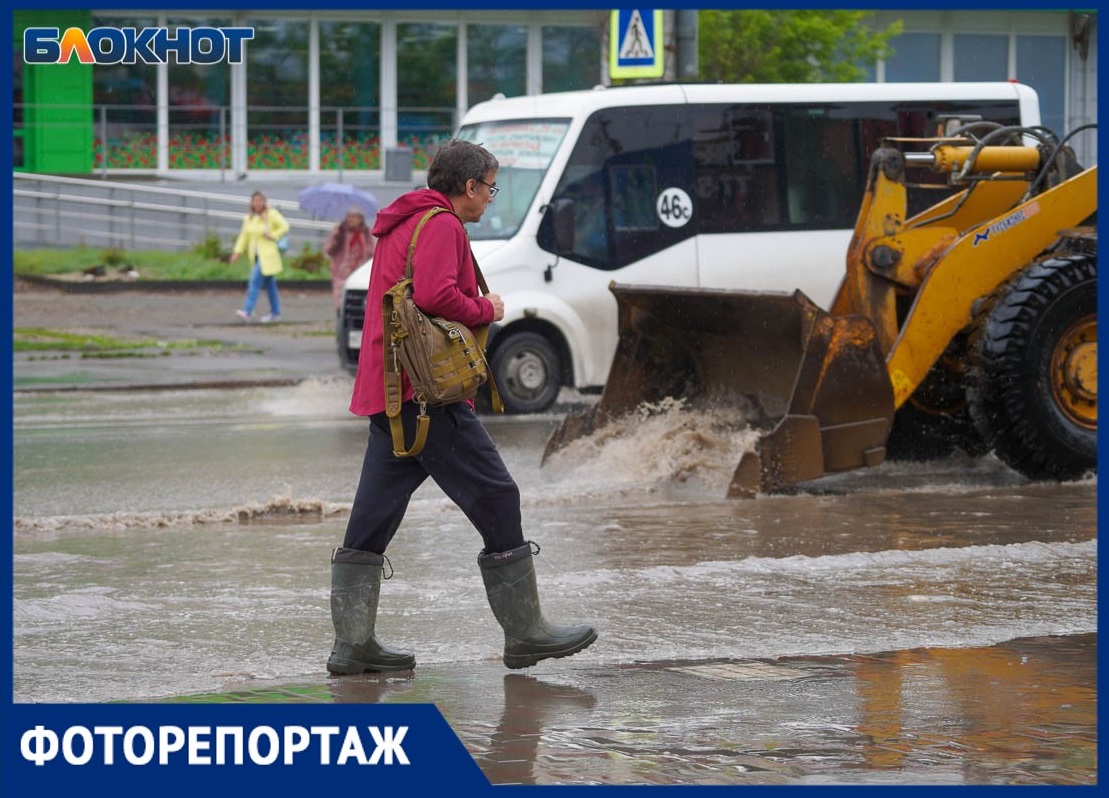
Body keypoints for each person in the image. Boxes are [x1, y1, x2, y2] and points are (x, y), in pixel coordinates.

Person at [327, 139, 597, 675]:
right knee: (498, 494)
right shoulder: (444, 223)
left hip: (392, 390)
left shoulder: (401, 220)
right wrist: (487, 306)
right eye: (490, 187)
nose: (490, 198)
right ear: (468, 186)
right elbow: (433, 296)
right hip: (429, 394)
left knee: (373, 518)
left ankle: (352, 646)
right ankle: (526, 634)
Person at [230, 191, 289, 323]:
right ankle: (275, 312)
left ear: (264, 202)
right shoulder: (249, 218)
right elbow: (243, 236)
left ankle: (247, 311)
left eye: (260, 201)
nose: (257, 203)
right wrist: (237, 252)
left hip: (267, 255)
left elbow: (285, 226)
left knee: (255, 281)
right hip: (256, 255)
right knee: (270, 286)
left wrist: (273, 235)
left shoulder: (270, 215)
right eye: (255, 201)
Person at [324, 206, 376, 313]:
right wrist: (335, 235)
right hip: (342, 271)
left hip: (360, 271)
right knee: (341, 300)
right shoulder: (340, 232)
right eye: (349, 216)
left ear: (360, 219)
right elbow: (329, 250)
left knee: (359, 300)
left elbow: (372, 251)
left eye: (354, 217)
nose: (350, 219)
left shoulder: (366, 233)